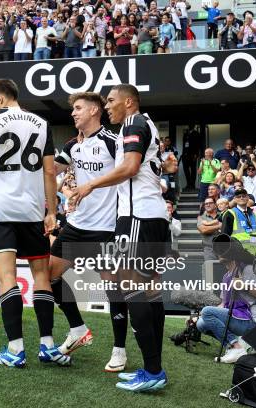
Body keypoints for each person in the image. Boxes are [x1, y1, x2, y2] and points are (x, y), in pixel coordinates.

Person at [71, 84, 170, 392]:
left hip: (137, 216)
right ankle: (153, 367)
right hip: (152, 216)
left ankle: (153, 370)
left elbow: (130, 167)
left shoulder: (133, 121)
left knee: (131, 289)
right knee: (150, 292)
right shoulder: (145, 124)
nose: (107, 105)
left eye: (111, 100)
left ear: (129, 102)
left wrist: (91, 186)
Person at [0, 79, 69, 367]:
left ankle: (15, 350)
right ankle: (48, 346)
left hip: (1, 210)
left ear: (0, 98)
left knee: (7, 278)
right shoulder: (41, 122)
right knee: (41, 276)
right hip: (31, 211)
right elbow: (50, 171)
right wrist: (51, 210)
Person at [52, 92, 120, 367]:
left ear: (94, 111)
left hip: (106, 228)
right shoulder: (72, 145)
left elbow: (131, 171)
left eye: (78, 108)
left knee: (114, 291)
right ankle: (78, 329)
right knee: (49, 277)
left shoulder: (114, 143)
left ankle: (119, 350)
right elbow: (50, 170)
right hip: (76, 225)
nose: (73, 113)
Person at [221, 188, 256, 257]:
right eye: (238, 197)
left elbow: (254, 234)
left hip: (255, 254)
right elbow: (224, 236)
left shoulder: (254, 214)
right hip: (238, 255)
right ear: (235, 199)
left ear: (248, 198)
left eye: (244, 196)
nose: (241, 198)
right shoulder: (230, 213)